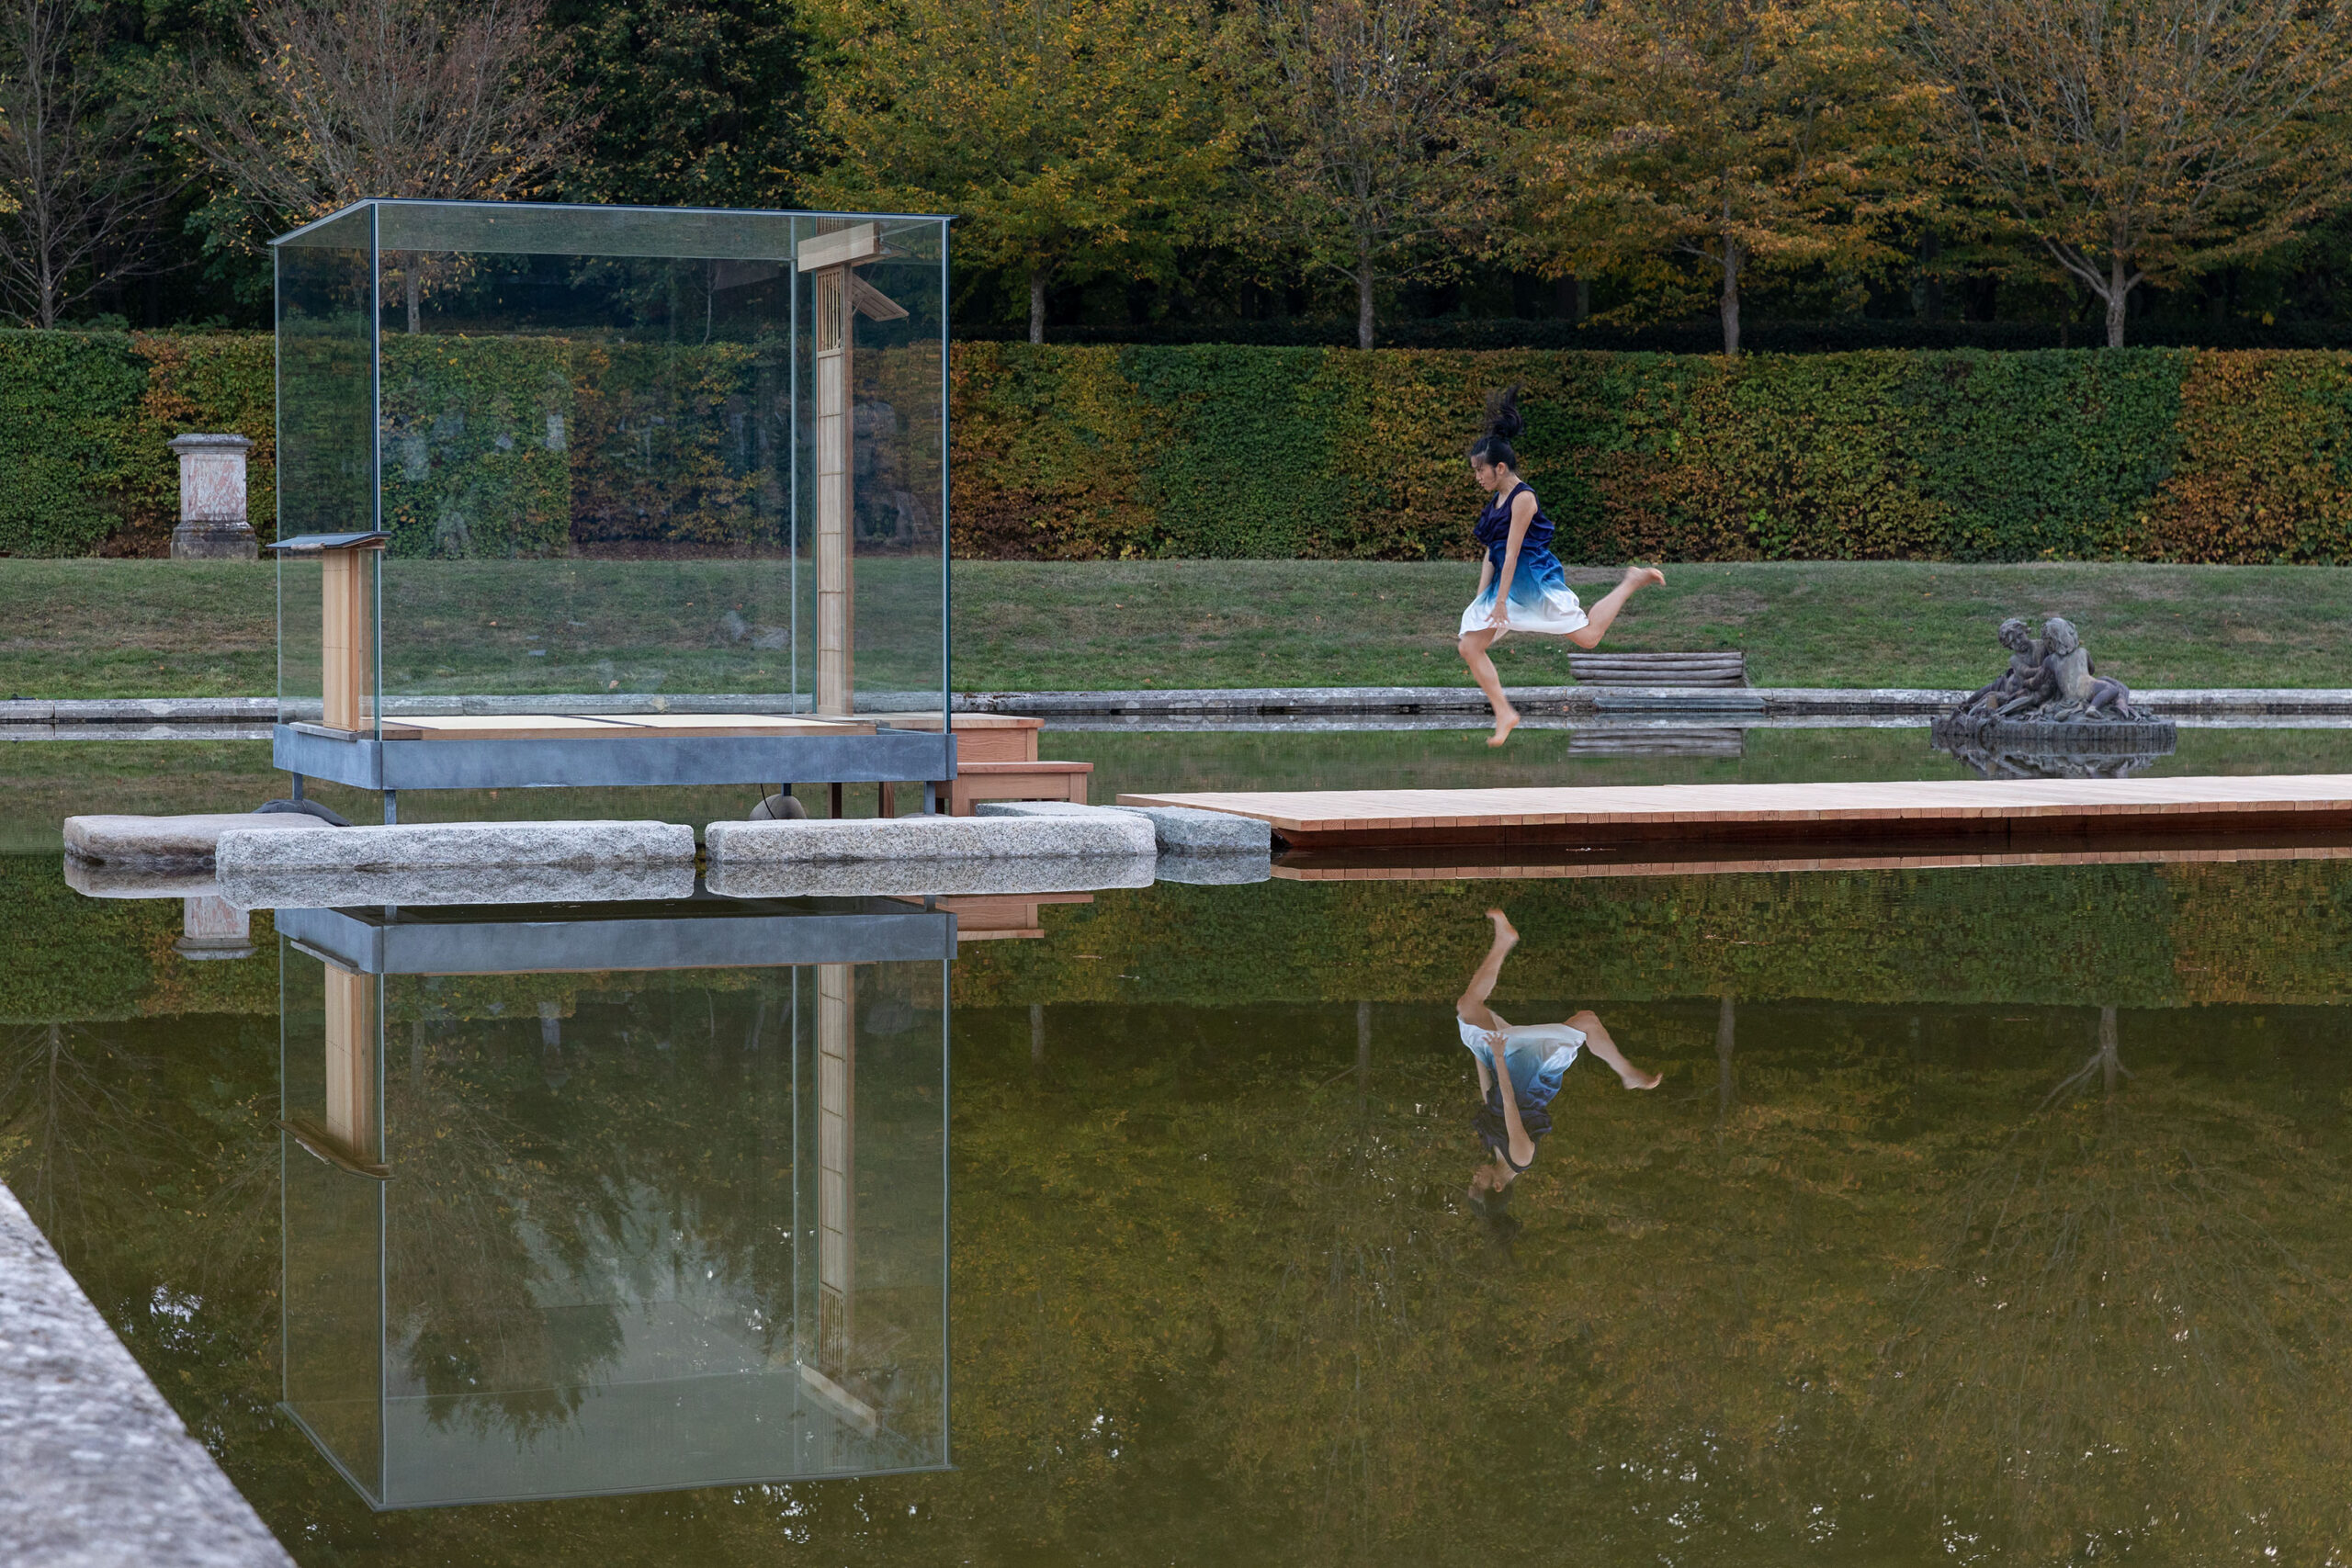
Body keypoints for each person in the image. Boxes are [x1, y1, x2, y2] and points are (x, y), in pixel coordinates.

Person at [1457, 387, 1667, 746]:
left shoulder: (1523, 498)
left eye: (1481, 471)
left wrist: (1502, 601)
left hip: (1533, 581)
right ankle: (1505, 713)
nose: (1477, 477)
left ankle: (1631, 581)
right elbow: (1490, 554)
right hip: (1506, 584)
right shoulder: (1496, 502)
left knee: (1588, 637)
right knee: (1468, 646)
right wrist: (1480, 601)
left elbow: (1511, 554)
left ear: (1501, 467)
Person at [1458, 908, 1658, 1240]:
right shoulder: (1520, 1158)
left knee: (1468, 1008)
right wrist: (1495, 1054)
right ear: (1496, 1185)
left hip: (1506, 1067)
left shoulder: (1493, 1150)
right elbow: (1508, 1103)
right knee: (1587, 1022)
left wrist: (1479, 1053)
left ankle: (1504, 940)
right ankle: (1627, 1075)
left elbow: (1490, 1098)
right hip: (1534, 1073)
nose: (1472, 1177)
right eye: (1475, 1184)